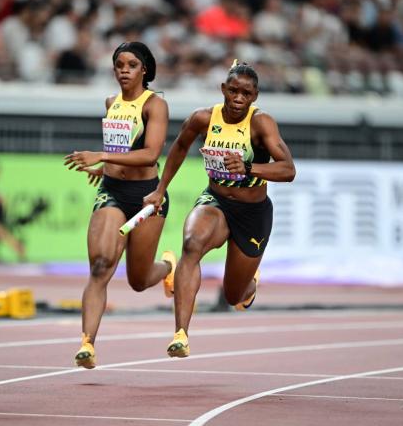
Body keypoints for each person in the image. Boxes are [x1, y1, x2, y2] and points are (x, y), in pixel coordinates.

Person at [144, 61, 296, 358]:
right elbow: (177, 148)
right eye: (234, 91)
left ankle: (250, 285)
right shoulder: (203, 118)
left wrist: (249, 167)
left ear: (255, 96)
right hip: (216, 202)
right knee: (192, 244)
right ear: (223, 90)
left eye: (246, 94)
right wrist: (160, 189)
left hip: (253, 213)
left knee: (233, 295)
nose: (238, 98)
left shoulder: (260, 123)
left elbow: (288, 169)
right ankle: (181, 335)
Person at [64, 42, 176, 369]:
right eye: (119, 65)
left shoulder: (155, 105)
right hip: (111, 191)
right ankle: (87, 343)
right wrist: (104, 169)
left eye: (131, 65)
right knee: (100, 266)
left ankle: (168, 266)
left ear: (145, 70)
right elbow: (120, 149)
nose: (124, 70)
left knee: (139, 281)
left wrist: (100, 155)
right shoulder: (110, 102)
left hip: (146, 197)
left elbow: (151, 153)